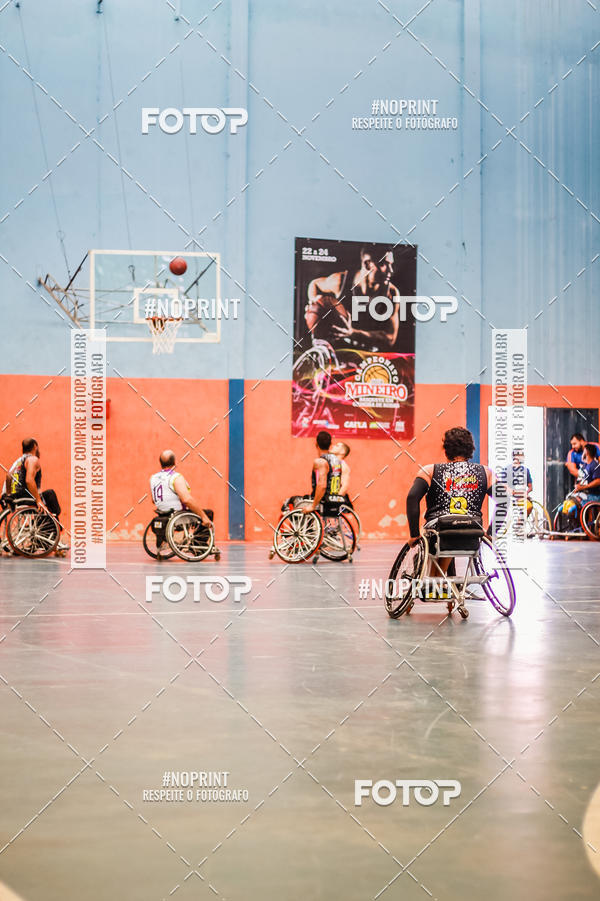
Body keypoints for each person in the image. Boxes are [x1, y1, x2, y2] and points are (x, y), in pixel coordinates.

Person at [405, 428, 493, 592]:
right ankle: (439, 580)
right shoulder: (485, 472)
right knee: (455, 530)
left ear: (446, 449)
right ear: (471, 449)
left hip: (438, 530)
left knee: (440, 533)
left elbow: (412, 498)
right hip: (472, 531)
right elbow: (504, 501)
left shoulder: (430, 470)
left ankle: (433, 580)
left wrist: (413, 534)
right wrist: (492, 532)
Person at [304, 247, 404, 351]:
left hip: (366, 354)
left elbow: (390, 339)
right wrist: (314, 300)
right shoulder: (341, 281)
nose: (391, 271)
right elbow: (314, 284)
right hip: (337, 349)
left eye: (391, 264)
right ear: (368, 264)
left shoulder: (391, 293)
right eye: (384, 264)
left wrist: (352, 333)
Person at [3, 437, 67, 554]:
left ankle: (47, 531)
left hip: (15, 497)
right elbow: (29, 480)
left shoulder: (18, 461)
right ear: (35, 447)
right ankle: (53, 532)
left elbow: (8, 476)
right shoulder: (33, 459)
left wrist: (8, 497)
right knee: (50, 496)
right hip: (25, 496)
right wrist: (38, 500)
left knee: (47, 497)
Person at [150, 450, 212, 524]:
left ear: (160, 463)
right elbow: (186, 500)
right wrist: (203, 516)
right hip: (177, 515)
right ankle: (200, 535)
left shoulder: (153, 478)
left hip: (161, 513)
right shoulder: (175, 477)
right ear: (174, 462)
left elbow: (153, 500)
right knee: (208, 514)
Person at [303, 431, 343, 512]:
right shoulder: (336, 460)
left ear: (316, 444)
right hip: (335, 498)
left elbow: (322, 485)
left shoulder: (320, 462)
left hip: (324, 500)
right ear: (330, 444)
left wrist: (313, 506)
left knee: (293, 502)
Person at [331, 441, 352, 508]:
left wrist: (335, 501)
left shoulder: (343, 466)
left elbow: (344, 486)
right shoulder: (331, 463)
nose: (333, 446)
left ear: (343, 452)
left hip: (336, 500)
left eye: (337, 445)